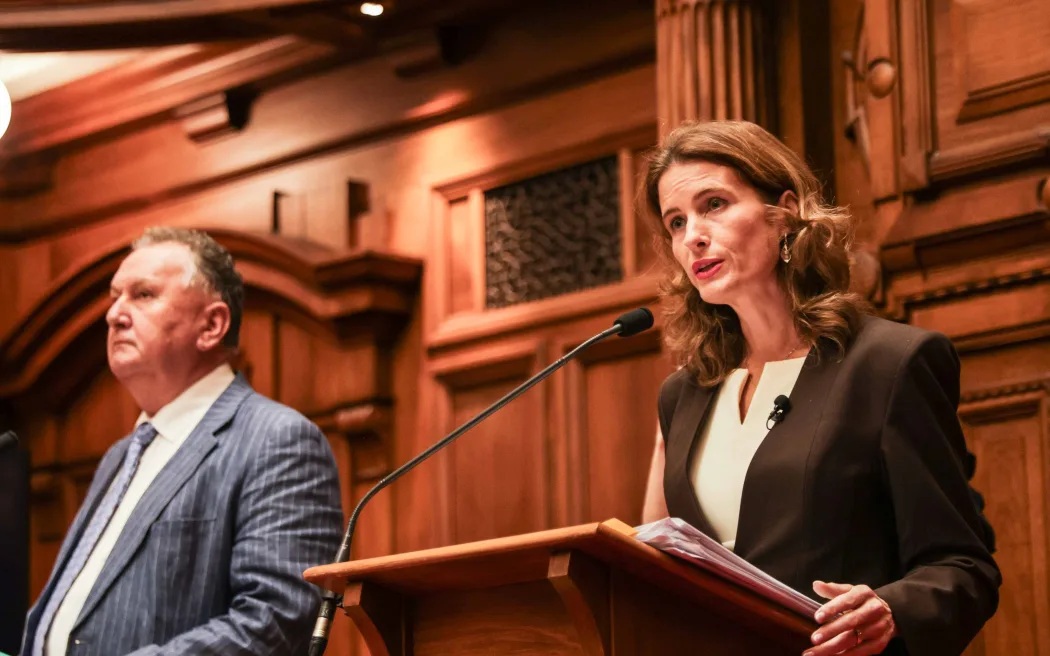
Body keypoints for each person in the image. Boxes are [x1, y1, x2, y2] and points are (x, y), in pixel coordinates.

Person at [639, 121, 999, 656]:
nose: (692, 235)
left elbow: (963, 566)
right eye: (676, 222)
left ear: (784, 213)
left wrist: (892, 608)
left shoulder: (886, 365)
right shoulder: (685, 393)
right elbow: (655, 563)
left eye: (713, 204)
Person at [21, 227, 343, 655]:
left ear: (211, 325)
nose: (113, 314)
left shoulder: (277, 441)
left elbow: (275, 620)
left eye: (143, 295)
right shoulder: (121, 455)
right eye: (114, 296)